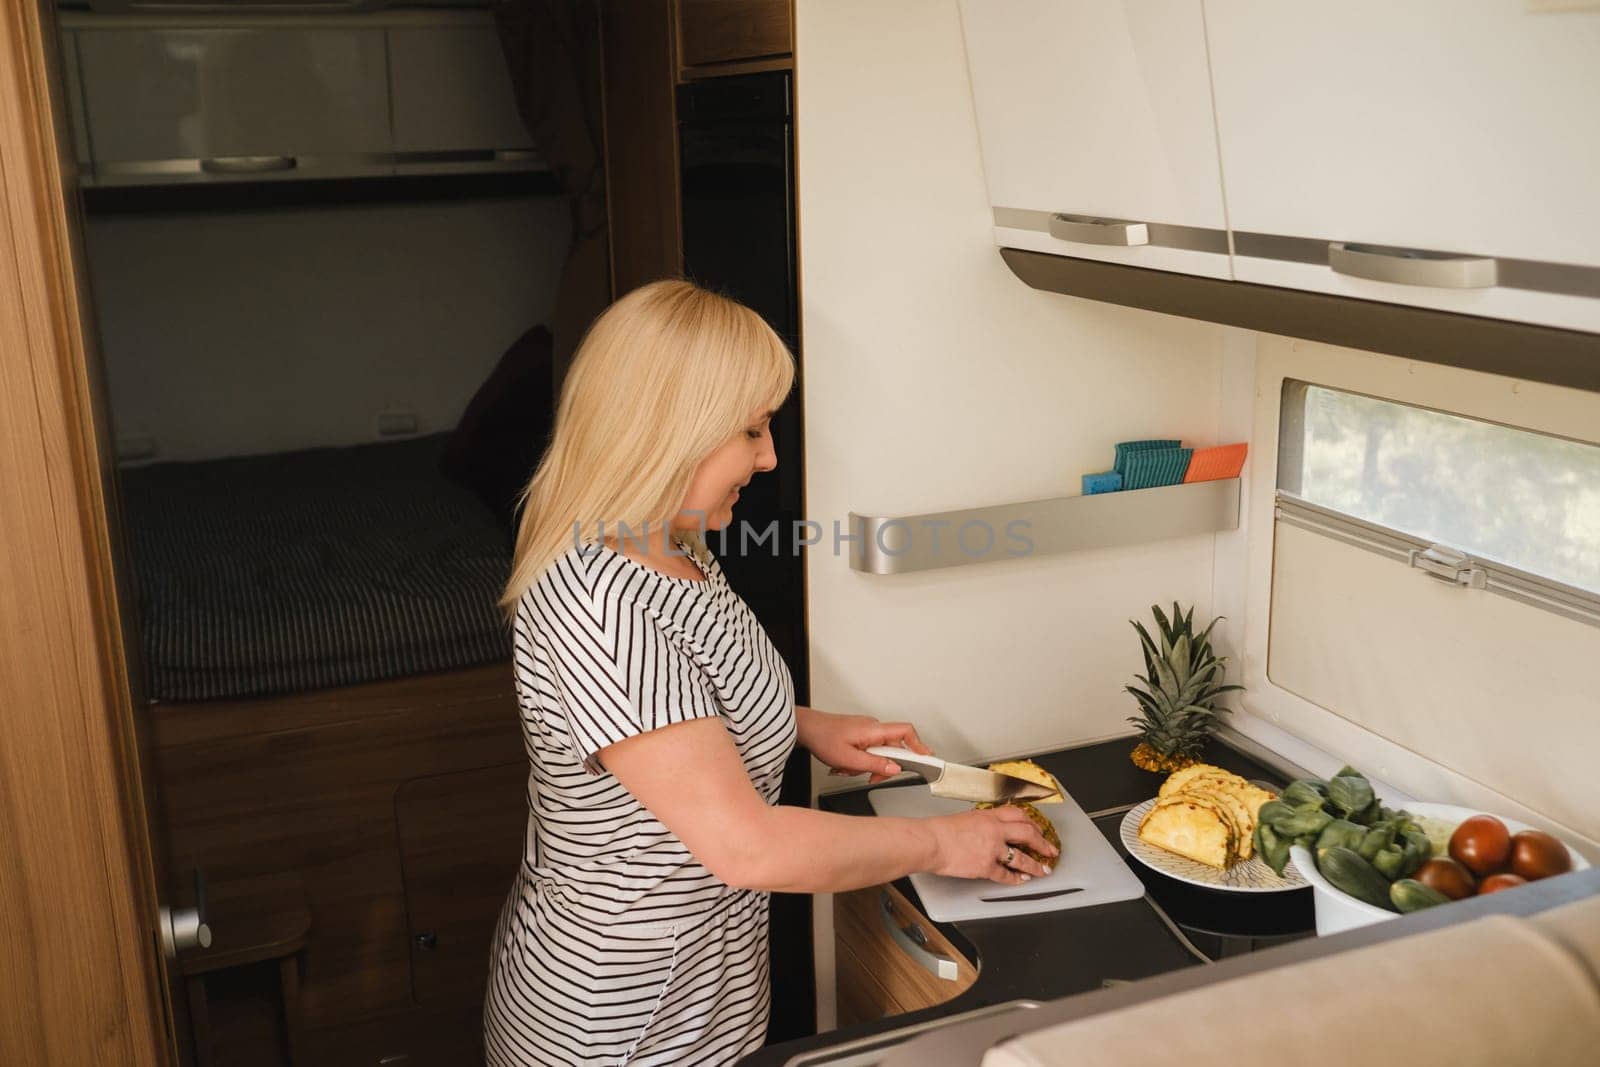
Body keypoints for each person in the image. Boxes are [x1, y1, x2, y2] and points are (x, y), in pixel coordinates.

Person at [482, 280, 1057, 1067]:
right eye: (750, 429)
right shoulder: (599, 604)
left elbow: (684, 704)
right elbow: (747, 847)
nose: (769, 455)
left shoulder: (674, 546)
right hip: (622, 1027)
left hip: (702, 1005)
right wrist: (939, 842)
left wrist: (807, 726)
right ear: (666, 430)